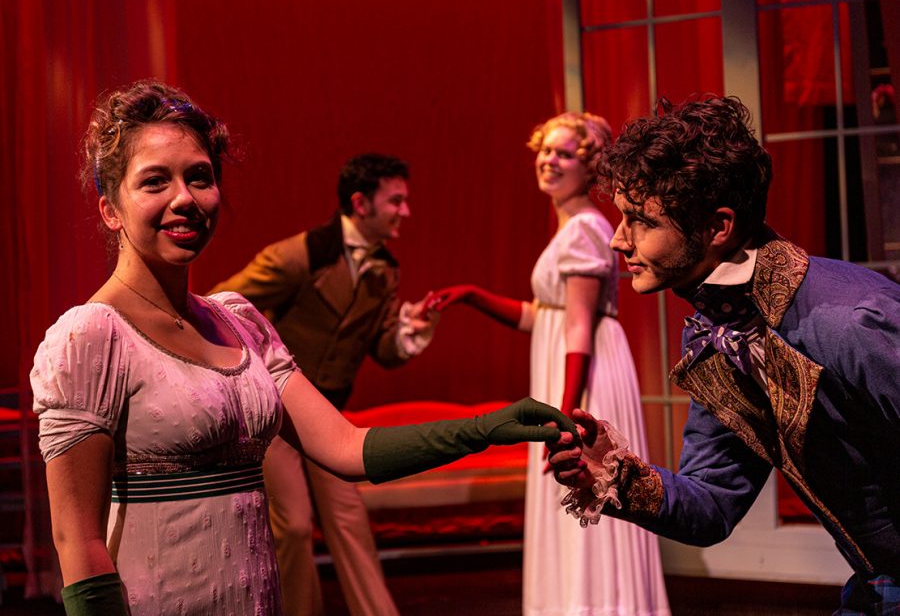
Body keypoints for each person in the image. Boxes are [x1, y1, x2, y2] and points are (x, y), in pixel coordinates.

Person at [29, 79, 576, 616]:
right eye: (154, 182)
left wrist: (490, 426)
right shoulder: (90, 337)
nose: (184, 199)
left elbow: (348, 447)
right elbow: (77, 542)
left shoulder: (239, 322)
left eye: (200, 177)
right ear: (110, 209)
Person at [548, 95, 900, 615]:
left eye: (641, 220)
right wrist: (615, 474)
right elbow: (713, 503)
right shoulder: (721, 334)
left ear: (718, 228)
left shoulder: (851, 319)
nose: (619, 240)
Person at [428, 113, 670, 616]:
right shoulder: (572, 227)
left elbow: (578, 326)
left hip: (583, 376)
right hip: (571, 366)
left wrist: (564, 415)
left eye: (563, 154)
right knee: (573, 497)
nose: (549, 161)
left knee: (584, 483)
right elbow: (545, 317)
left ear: (589, 167)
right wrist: (473, 296)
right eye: (544, 151)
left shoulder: (584, 228)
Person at [210, 153, 434, 616]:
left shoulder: (384, 270)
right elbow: (219, 306)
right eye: (396, 201)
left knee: (350, 522)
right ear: (361, 203)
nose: (405, 212)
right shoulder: (300, 255)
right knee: (292, 526)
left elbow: (383, 349)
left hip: (329, 413)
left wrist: (407, 334)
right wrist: (253, 369)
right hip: (280, 411)